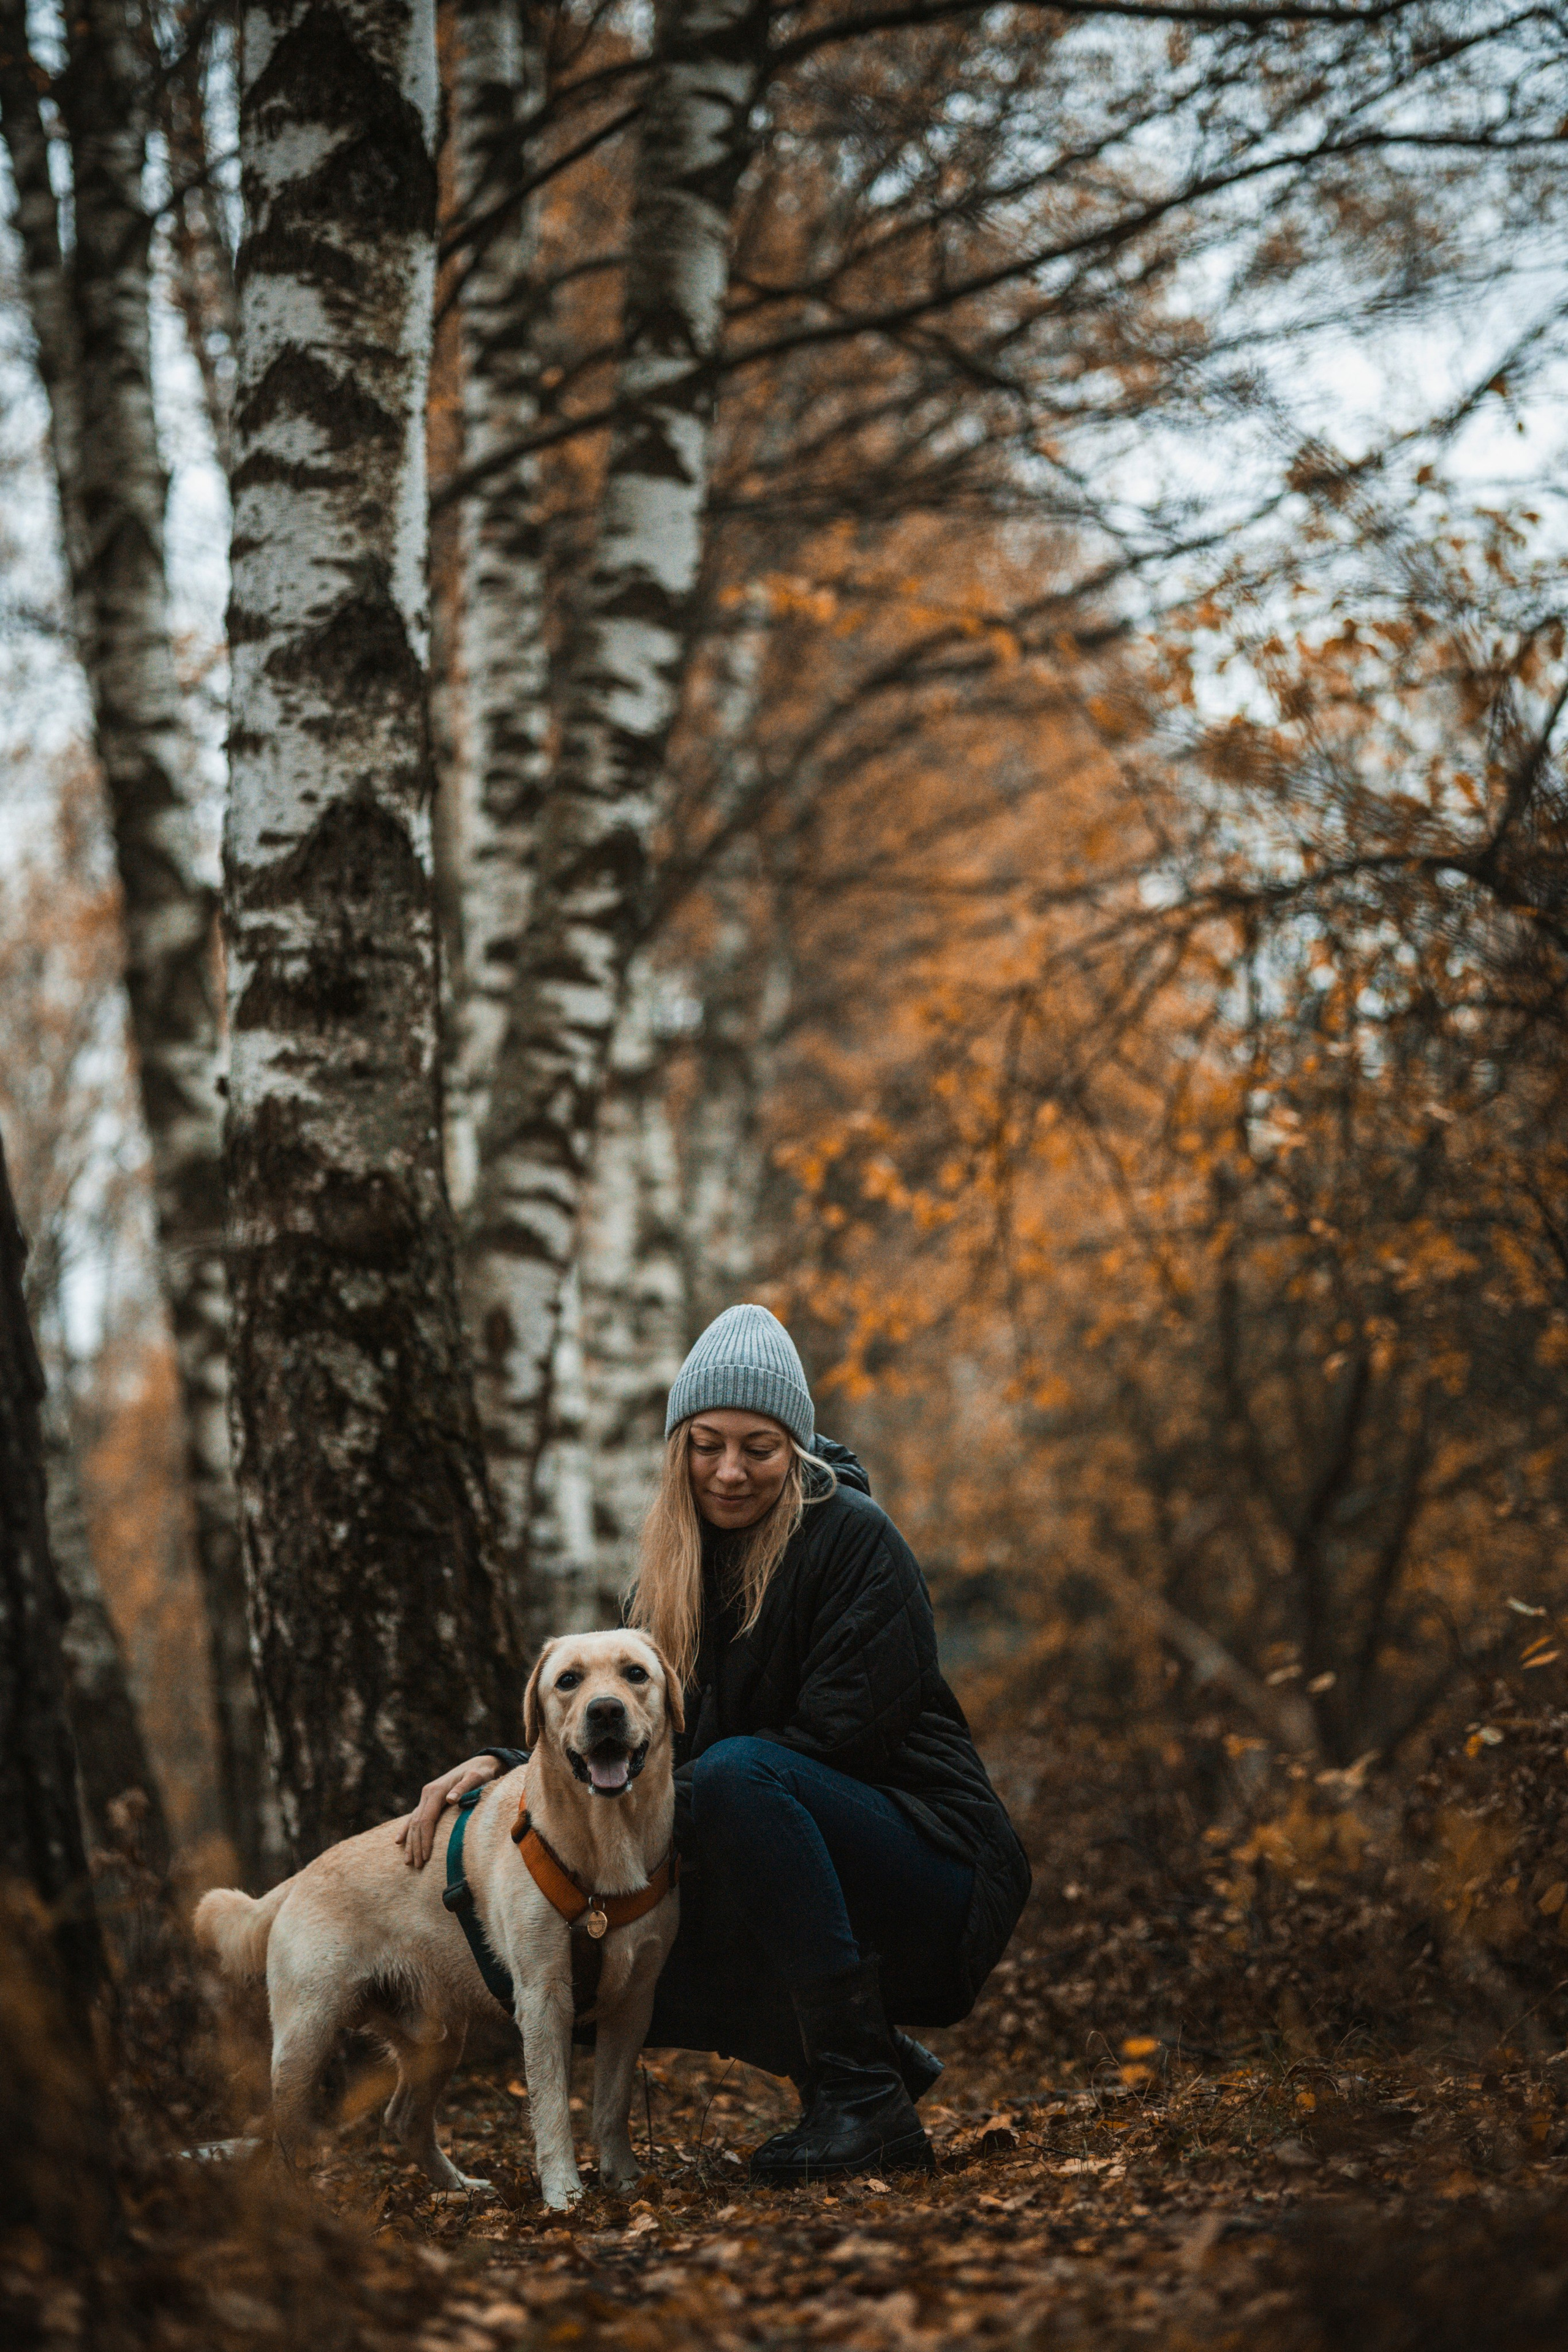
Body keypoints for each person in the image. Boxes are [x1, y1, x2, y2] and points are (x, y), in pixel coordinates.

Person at [398, 1303, 1030, 2182]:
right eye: (706, 1445)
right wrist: (520, 1769)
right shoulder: (665, 1574)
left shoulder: (856, 1541)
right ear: (678, 1449)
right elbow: (627, 1728)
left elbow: (838, 1741)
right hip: (788, 1851)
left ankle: (866, 2102)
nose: (730, 1471)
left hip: (934, 1869)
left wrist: (638, 1793)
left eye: (759, 1448)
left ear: (795, 1449)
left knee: (729, 1784)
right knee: (608, 1937)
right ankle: (858, 2063)